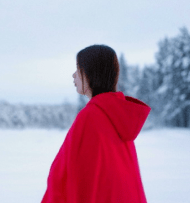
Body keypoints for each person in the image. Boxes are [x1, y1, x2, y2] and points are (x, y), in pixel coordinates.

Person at [41, 44, 151, 203]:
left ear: (91, 74)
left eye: (78, 69)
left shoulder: (91, 116)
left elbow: (65, 175)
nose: (74, 75)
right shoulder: (119, 113)